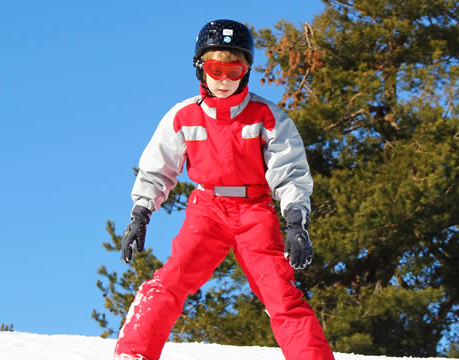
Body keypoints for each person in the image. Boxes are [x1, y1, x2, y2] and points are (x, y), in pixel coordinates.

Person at [113, 19, 334, 360]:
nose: (225, 80)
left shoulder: (266, 116)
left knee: (280, 292)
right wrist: (140, 215)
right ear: (201, 69)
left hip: (254, 211)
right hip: (207, 209)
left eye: (236, 69)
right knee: (171, 280)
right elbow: (158, 168)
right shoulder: (185, 116)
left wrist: (295, 221)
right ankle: (134, 353)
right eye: (216, 69)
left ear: (247, 70)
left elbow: (289, 173)